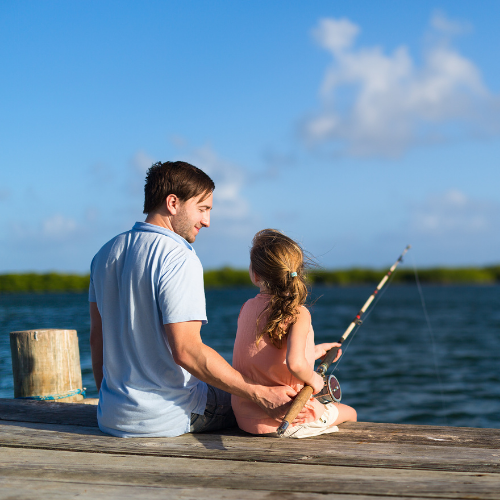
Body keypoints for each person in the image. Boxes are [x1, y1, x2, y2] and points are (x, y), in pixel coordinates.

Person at [89, 161, 301, 438]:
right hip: (170, 417)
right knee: (282, 397)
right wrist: (258, 393)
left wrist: (117, 405)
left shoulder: (105, 254)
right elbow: (187, 351)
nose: (207, 221)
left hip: (111, 416)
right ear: (173, 203)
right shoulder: (178, 256)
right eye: (202, 209)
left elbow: (97, 338)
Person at [232, 229, 357, 438]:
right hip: (287, 420)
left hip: (244, 419)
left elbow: (265, 353)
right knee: (350, 413)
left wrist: (315, 351)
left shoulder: (246, 308)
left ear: (256, 274)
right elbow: (296, 364)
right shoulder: (299, 312)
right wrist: (316, 380)